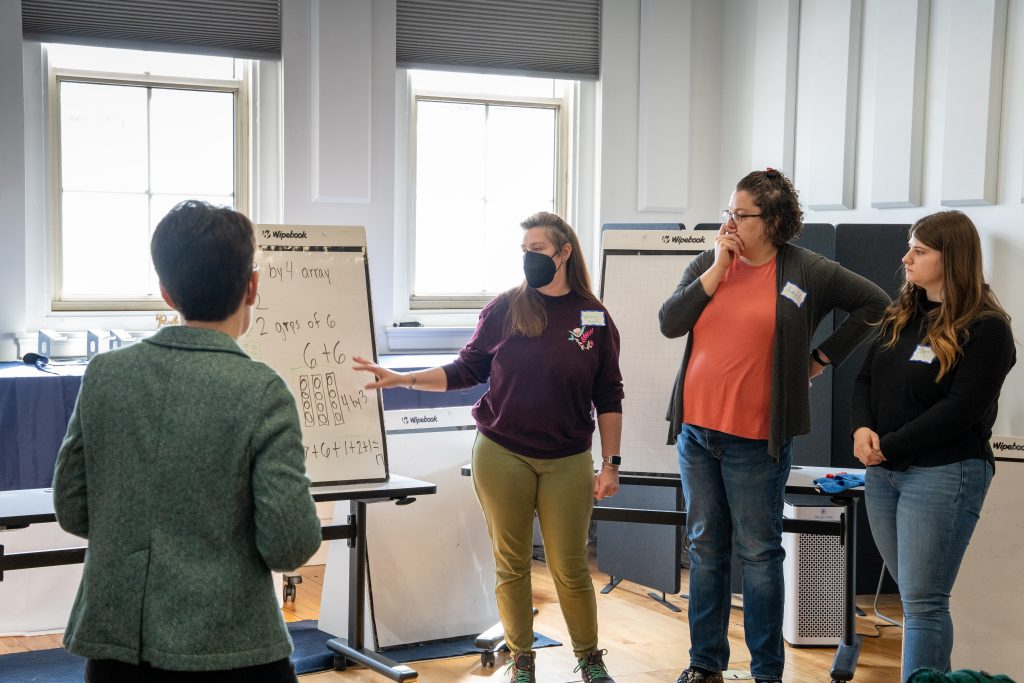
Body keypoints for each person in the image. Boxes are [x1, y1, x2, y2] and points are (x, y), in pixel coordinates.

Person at [53, 200, 322, 682]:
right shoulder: (261, 391)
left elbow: (73, 509)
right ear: (252, 286)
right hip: (234, 647)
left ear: (167, 292)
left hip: (119, 648)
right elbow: (290, 544)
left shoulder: (105, 375)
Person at [352, 211, 623, 683]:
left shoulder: (593, 316)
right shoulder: (505, 308)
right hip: (502, 453)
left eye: (536, 250)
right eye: (522, 251)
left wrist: (611, 463)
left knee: (571, 567)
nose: (527, 258)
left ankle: (590, 660)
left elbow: (609, 395)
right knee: (512, 563)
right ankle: (522, 659)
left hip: (568, 458)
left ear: (563, 253)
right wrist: (405, 379)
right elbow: (466, 369)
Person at [658, 169, 889, 683]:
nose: (730, 223)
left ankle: (766, 673)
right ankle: (705, 665)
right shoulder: (708, 260)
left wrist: (821, 358)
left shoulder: (806, 270)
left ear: (774, 221)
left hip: (756, 439)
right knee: (705, 547)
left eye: (742, 215)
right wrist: (717, 269)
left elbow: (876, 304)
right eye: (729, 213)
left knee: (760, 554)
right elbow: (670, 322)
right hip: (697, 432)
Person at [851, 211, 1016, 682]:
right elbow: (864, 380)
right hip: (884, 472)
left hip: (945, 472)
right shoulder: (902, 314)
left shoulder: (987, 329)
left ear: (953, 257)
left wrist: (890, 446)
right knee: (915, 596)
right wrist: (862, 430)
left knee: (923, 602)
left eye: (919, 251)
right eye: (910, 247)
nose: (905, 258)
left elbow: (961, 410)